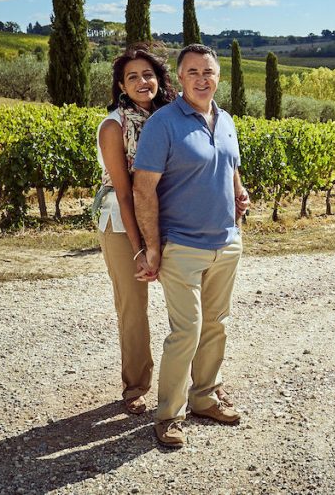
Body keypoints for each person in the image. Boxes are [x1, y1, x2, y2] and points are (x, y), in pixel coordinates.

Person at [133, 43, 251, 447]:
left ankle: (205, 397)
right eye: (194, 72)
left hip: (227, 242)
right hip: (181, 245)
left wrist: (240, 193)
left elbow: (231, 167)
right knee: (187, 331)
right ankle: (169, 415)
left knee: (217, 324)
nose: (203, 78)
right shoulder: (163, 123)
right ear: (181, 79)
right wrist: (152, 246)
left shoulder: (227, 120)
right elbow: (143, 189)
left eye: (209, 72)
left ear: (218, 77)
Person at [95, 44, 177, 416]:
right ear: (121, 86)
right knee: (134, 307)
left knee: (185, 303)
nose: (143, 81)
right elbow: (125, 193)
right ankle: (136, 386)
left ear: (159, 79)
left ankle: (192, 383)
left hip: (167, 217)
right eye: (133, 77)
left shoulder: (170, 118)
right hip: (121, 223)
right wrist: (139, 247)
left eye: (148, 74)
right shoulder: (114, 126)